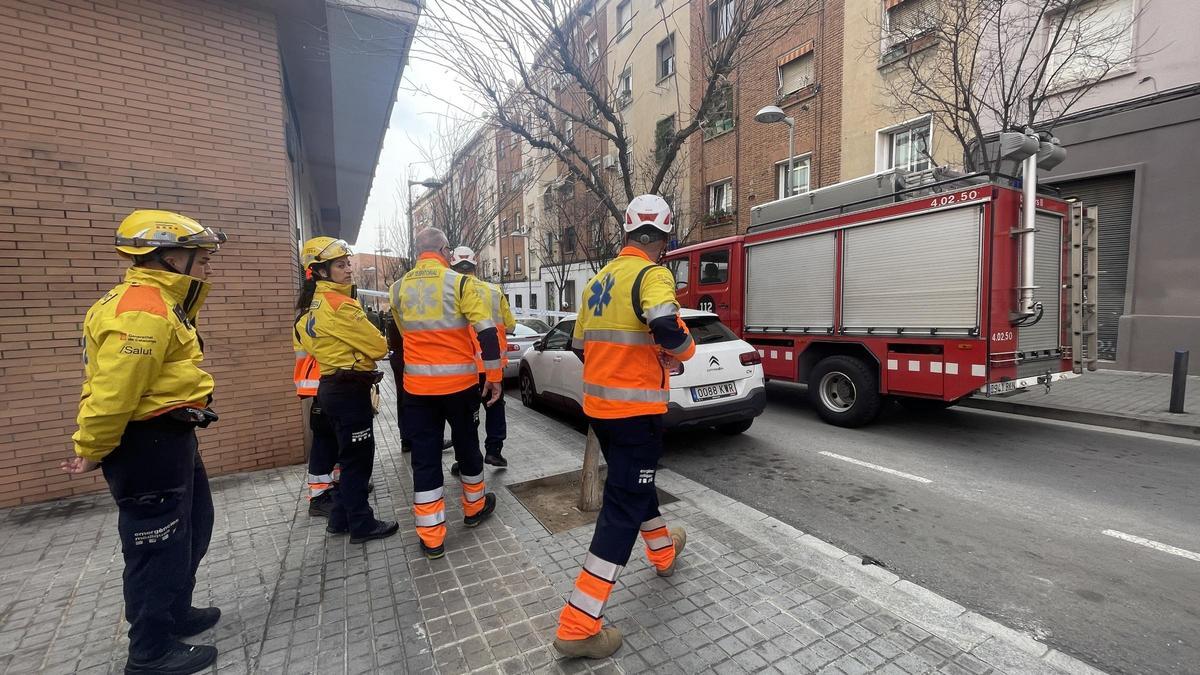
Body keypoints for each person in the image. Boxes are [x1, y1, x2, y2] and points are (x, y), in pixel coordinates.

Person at [62, 209, 226, 674]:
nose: (208, 265)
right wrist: (91, 448)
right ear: (170, 257)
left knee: (192, 525)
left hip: (170, 437)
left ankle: (175, 611)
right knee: (156, 543)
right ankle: (150, 649)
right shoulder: (142, 309)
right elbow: (116, 390)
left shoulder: (160, 302)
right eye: (202, 256)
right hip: (146, 444)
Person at [553, 195, 696, 659]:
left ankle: (662, 552)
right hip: (637, 415)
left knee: (636, 487)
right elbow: (667, 328)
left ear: (628, 231)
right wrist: (681, 349)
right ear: (665, 237)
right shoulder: (653, 274)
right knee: (622, 507)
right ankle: (578, 625)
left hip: (601, 412)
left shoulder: (598, 279)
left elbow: (580, 345)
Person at [390, 228, 502, 560]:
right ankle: (473, 509)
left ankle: (432, 537)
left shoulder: (396, 289)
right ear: (445, 250)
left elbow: (402, 333)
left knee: (425, 458)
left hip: (418, 390)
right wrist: (494, 376)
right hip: (459, 388)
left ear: (417, 251)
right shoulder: (461, 283)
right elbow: (488, 334)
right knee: (468, 447)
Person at [296, 236, 397, 543]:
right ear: (320, 271)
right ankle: (361, 524)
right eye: (340, 265)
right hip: (348, 390)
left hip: (331, 387)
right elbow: (379, 346)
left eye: (347, 263)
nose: (349, 270)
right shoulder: (341, 306)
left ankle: (339, 519)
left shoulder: (309, 307)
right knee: (358, 459)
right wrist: (364, 351)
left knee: (345, 456)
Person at [448, 245, 514, 470]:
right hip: (492, 364)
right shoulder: (495, 291)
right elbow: (511, 324)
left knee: (465, 415)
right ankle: (494, 451)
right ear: (476, 265)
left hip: (465, 366)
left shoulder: (451, 291)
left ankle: (464, 458)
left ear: (453, 266)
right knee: (495, 406)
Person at [293, 269, 341, 518]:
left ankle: (333, 483)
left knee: (332, 437)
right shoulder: (314, 314)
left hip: (319, 383)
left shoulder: (306, 313)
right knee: (325, 439)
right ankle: (319, 495)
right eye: (341, 266)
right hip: (323, 382)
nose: (347, 271)